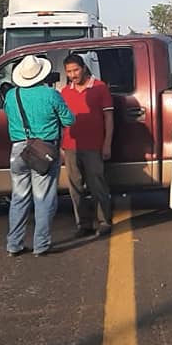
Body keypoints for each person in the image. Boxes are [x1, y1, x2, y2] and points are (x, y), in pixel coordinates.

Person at [4, 55, 75, 257]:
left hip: (18, 150)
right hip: (44, 151)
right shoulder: (50, 94)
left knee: (19, 198)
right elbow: (69, 120)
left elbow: (8, 115)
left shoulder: (12, 95)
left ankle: (14, 244)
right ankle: (41, 244)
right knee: (43, 199)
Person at [60, 54, 115, 238]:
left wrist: (107, 144)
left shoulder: (99, 88)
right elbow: (61, 121)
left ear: (83, 68)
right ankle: (83, 224)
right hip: (70, 146)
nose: (73, 75)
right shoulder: (65, 92)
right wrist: (61, 145)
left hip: (94, 145)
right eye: (69, 72)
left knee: (97, 184)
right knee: (75, 187)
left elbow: (109, 118)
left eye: (75, 70)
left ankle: (104, 221)